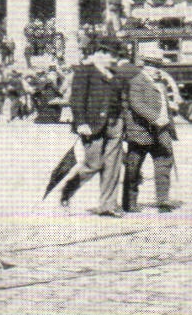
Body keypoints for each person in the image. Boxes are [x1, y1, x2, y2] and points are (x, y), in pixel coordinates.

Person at [58, 42, 126, 216]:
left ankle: (108, 205)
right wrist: (81, 122)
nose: (116, 60)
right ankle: (67, 190)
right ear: (100, 54)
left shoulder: (114, 73)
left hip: (114, 123)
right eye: (113, 56)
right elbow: (77, 99)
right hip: (92, 125)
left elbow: (120, 96)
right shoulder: (84, 71)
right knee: (93, 164)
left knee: (113, 166)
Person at [122, 51, 181, 213]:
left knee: (164, 163)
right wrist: (155, 118)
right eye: (153, 66)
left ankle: (163, 201)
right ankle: (129, 202)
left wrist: (170, 112)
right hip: (141, 131)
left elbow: (163, 103)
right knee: (133, 167)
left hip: (162, 131)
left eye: (158, 66)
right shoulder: (136, 81)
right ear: (144, 66)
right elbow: (136, 104)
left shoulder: (160, 83)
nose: (156, 69)